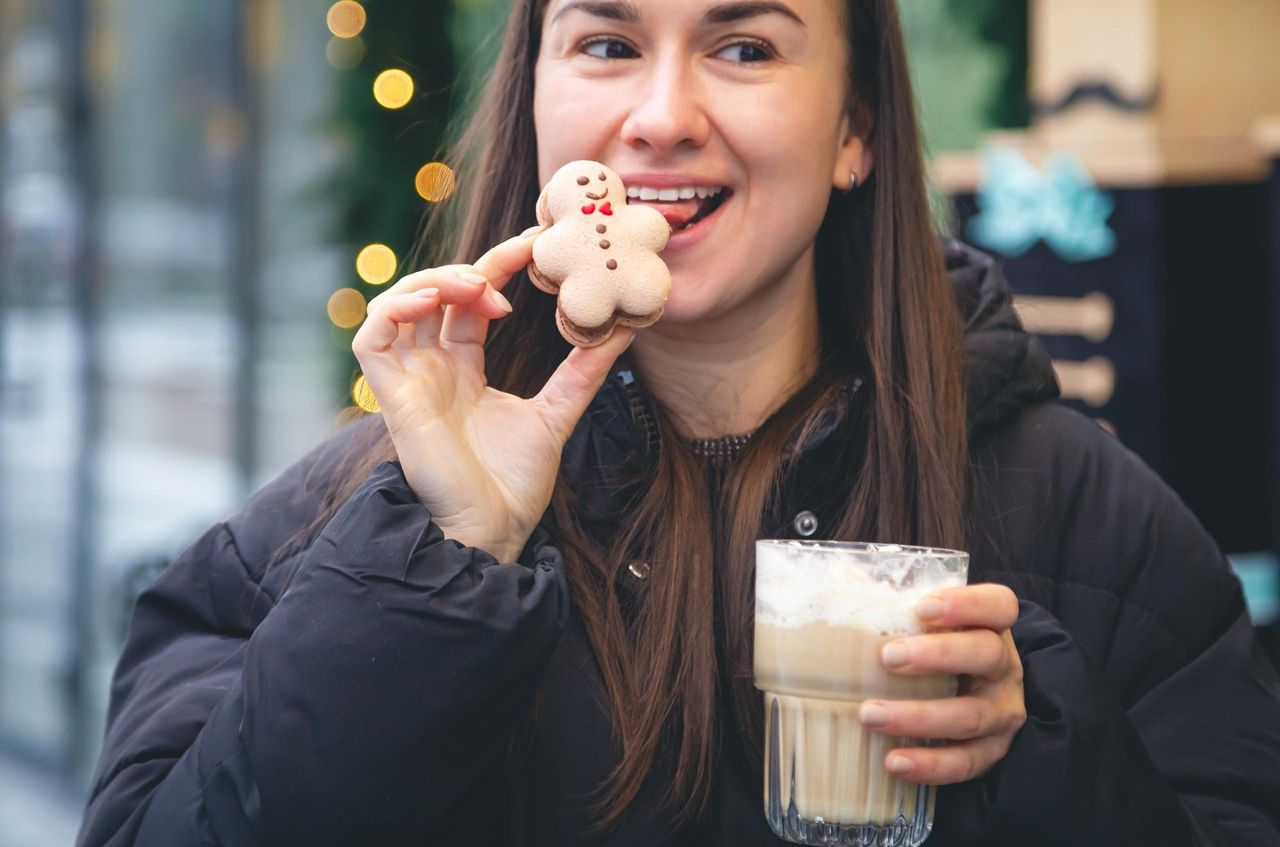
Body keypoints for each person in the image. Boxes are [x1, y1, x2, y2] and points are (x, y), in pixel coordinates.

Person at [77, 0, 1280, 844]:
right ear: (535, 103)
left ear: (853, 129)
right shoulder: (339, 526)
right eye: (606, 43)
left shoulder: (1091, 520)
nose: (660, 116)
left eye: (743, 47)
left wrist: (1044, 757)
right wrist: (437, 560)